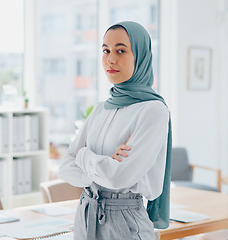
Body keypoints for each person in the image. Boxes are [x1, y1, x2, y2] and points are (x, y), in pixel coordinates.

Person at [59, 21, 172, 240]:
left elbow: (119, 176)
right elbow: (64, 166)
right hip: (86, 212)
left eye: (121, 51)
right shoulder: (101, 108)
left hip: (125, 221)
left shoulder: (153, 111)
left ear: (140, 56)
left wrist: (83, 156)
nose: (111, 59)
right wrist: (104, 164)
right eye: (105, 51)